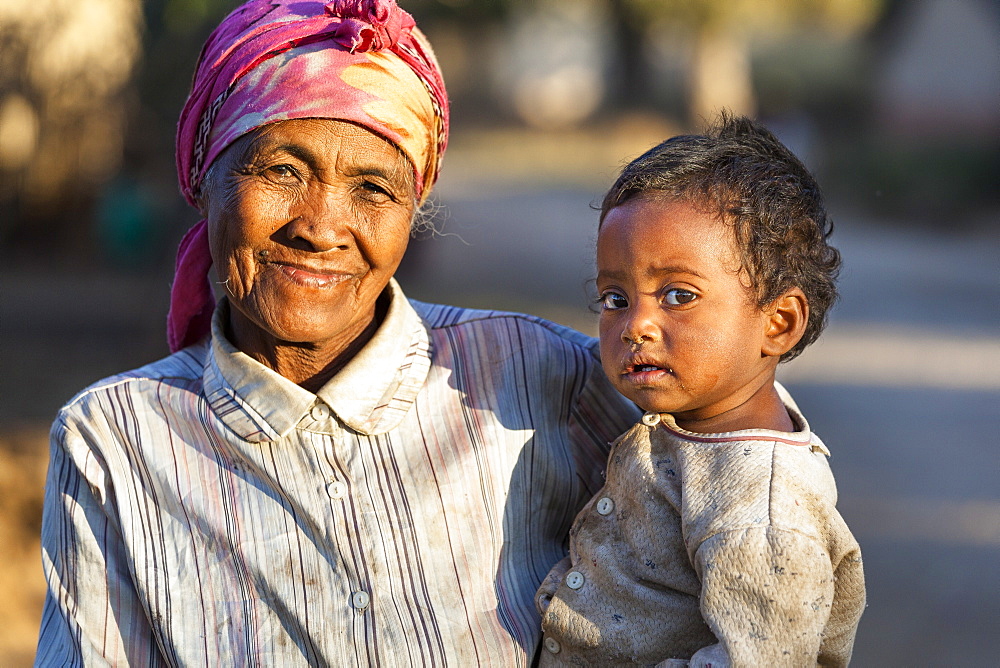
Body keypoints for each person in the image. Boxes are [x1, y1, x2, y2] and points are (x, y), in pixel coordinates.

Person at [36, 0, 639, 664]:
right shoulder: (115, 439)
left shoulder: (540, 375)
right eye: (281, 171)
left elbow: (744, 489)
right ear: (203, 183)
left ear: (413, 212)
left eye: (372, 188)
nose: (320, 228)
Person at [534, 114, 866, 667]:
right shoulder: (695, 422)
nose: (634, 325)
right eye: (615, 298)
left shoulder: (762, 507)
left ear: (778, 323)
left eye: (678, 296)